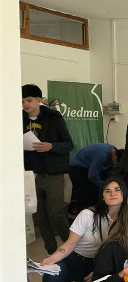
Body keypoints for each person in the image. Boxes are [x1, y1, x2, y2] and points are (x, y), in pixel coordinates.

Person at [37, 176, 128, 282]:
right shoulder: (88, 214)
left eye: (117, 190)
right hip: (75, 259)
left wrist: (99, 271)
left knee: (112, 281)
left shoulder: (127, 218)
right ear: (102, 196)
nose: (112, 194)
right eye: (107, 191)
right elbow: (70, 243)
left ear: (124, 193)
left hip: (99, 264)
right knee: (52, 272)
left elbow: (123, 250)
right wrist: (52, 259)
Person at [22, 84, 74, 254]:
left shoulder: (53, 117)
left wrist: (51, 146)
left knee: (56, 212)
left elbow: (68, 144)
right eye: (22, 101)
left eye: (29, 100)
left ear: (39, 100)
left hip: (53, 173)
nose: (26, 104)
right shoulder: (20, 119)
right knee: (40, 215)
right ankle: (51, 251)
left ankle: (71, 248)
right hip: (31, 174)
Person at [68, 143, 118, 213]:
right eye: (116, 163)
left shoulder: (115, 152)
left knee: (101, 185)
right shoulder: (102, 155)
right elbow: (92, 176)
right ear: (115, 157)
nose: (115, 165)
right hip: (77, 166)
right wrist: (104, 186)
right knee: (85, 191)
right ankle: (81, 212)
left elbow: (110, 172)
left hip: (89, 165)